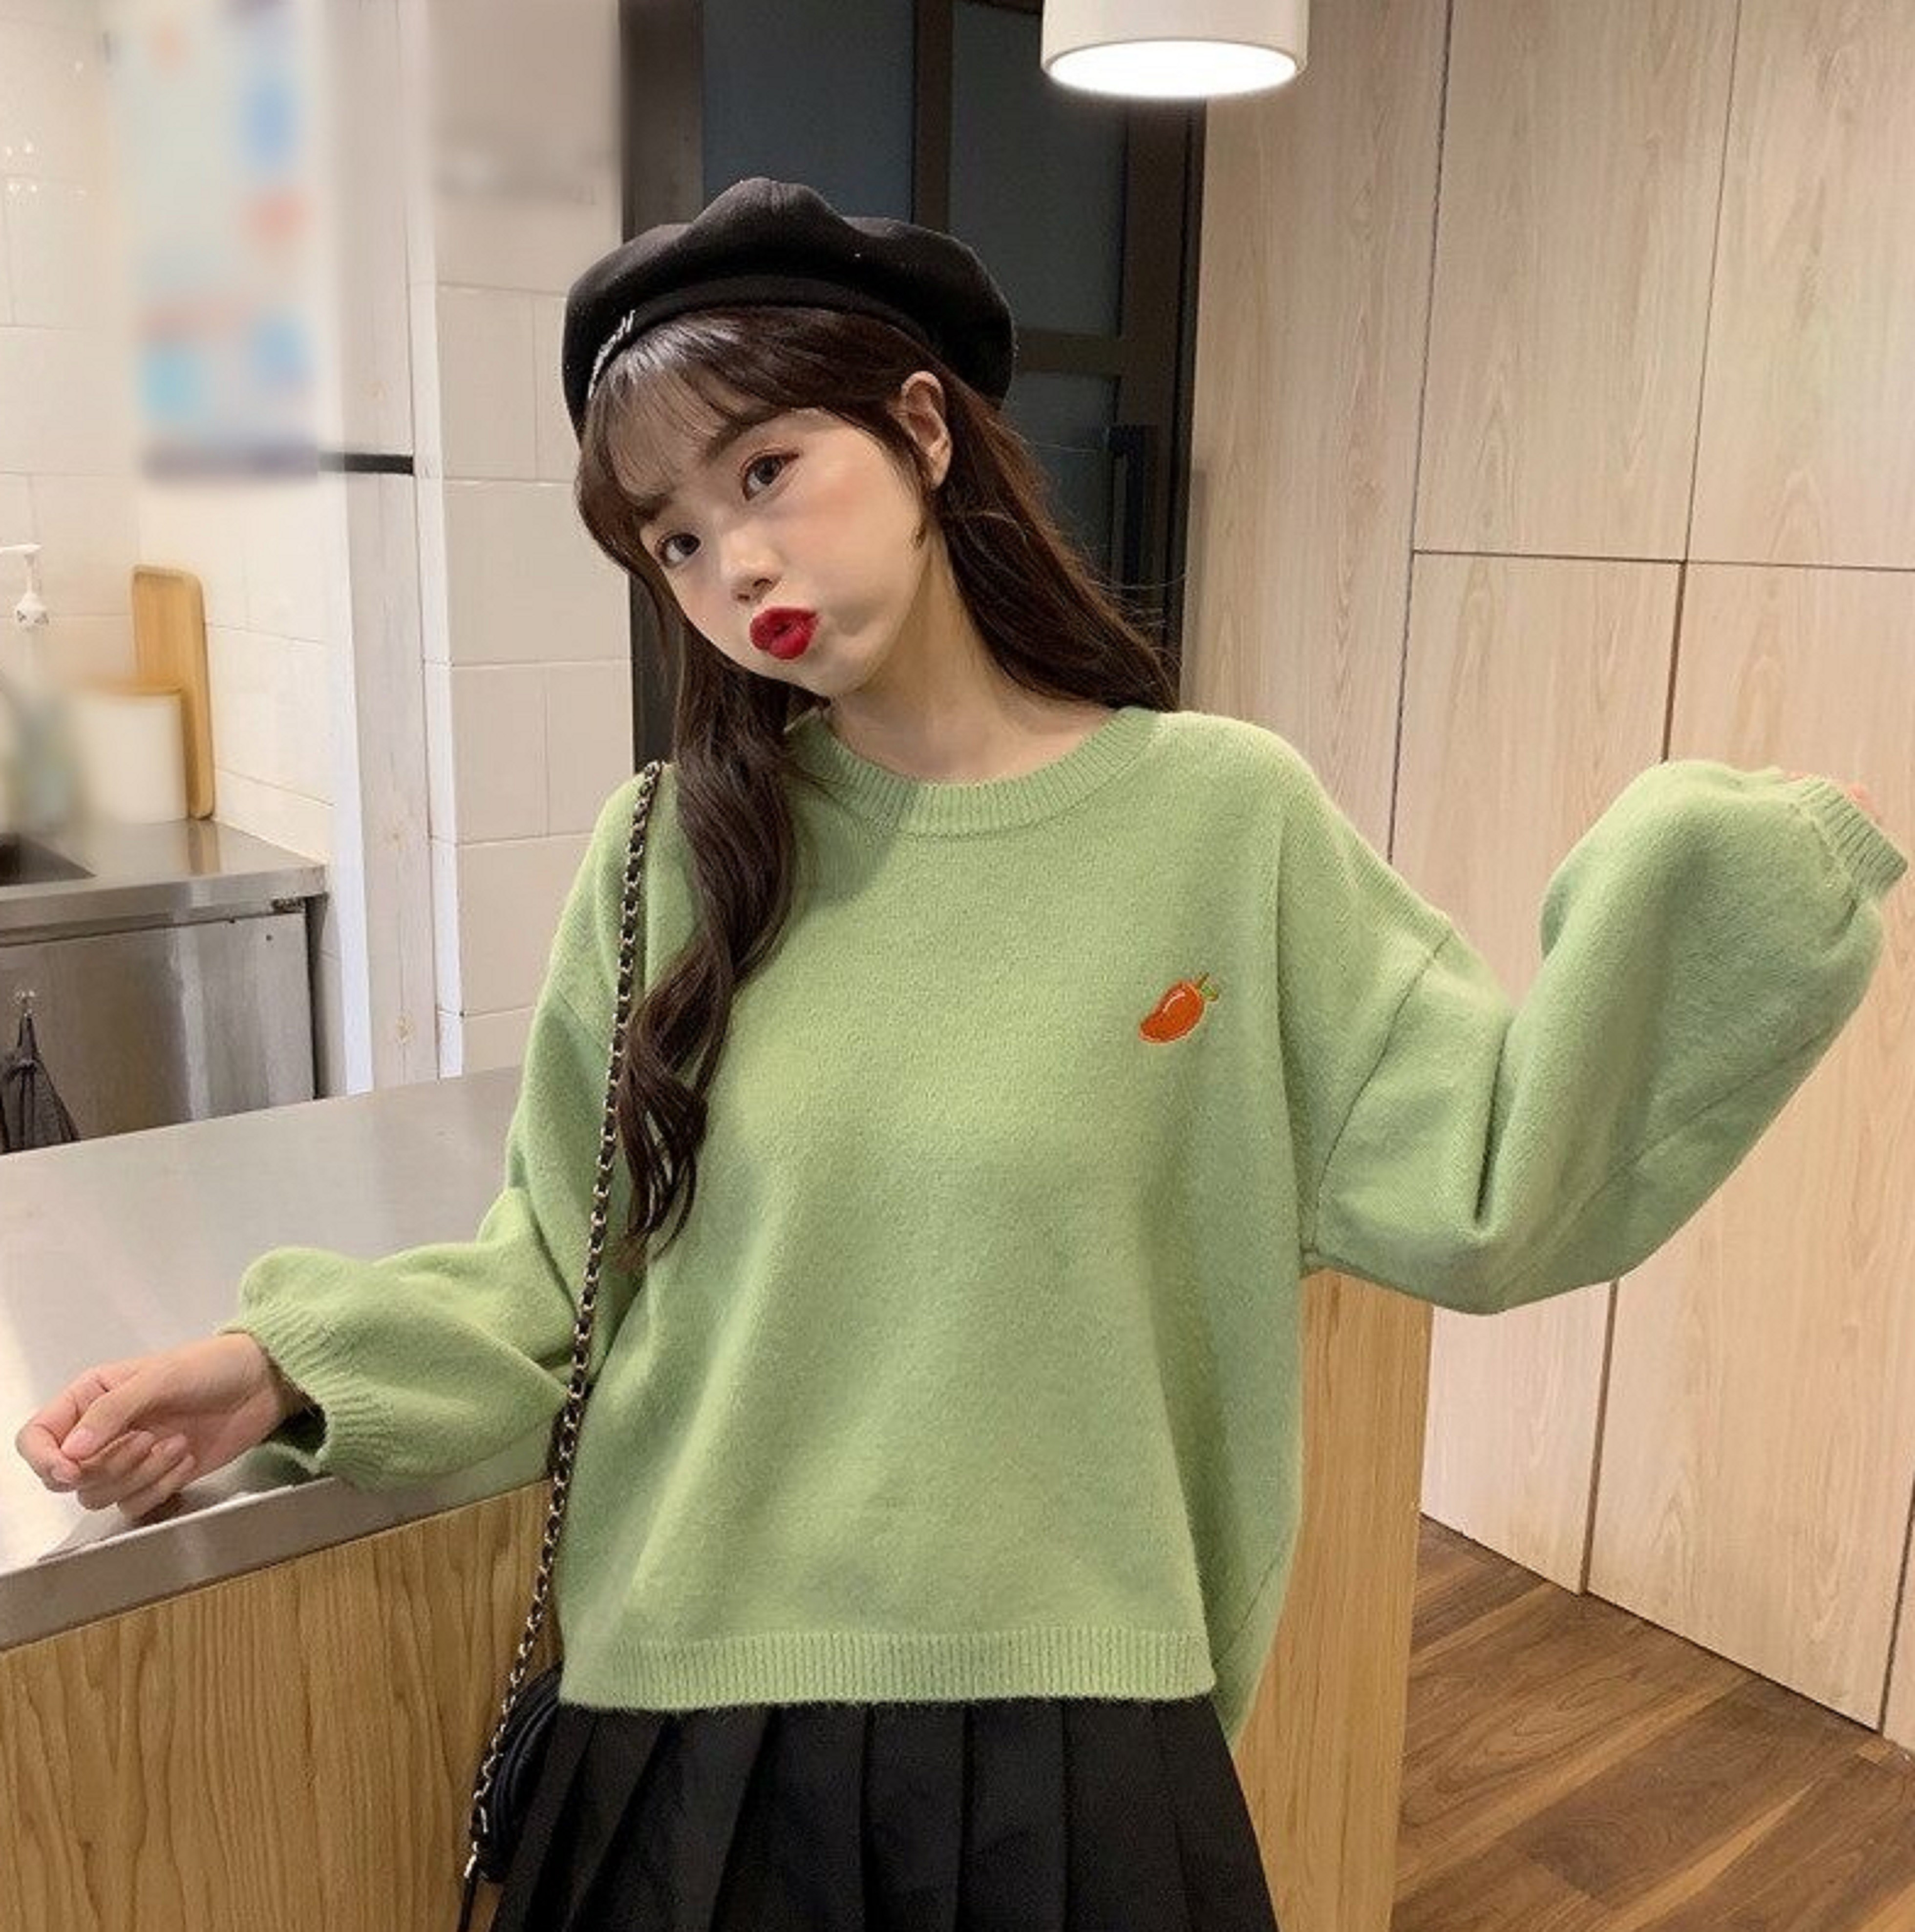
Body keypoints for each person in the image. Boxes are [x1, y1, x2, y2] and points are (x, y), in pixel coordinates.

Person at [12, 176, 1908, 1931]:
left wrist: (1726, 881)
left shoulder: (1219, 824)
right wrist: (282, 1361)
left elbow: (1496, 1179)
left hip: (1069, 1741)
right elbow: (555, 1278)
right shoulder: (663, 856)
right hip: (690, 1731)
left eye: (767, 467)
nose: (732, 558)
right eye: (675, 534)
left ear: (922, 430)